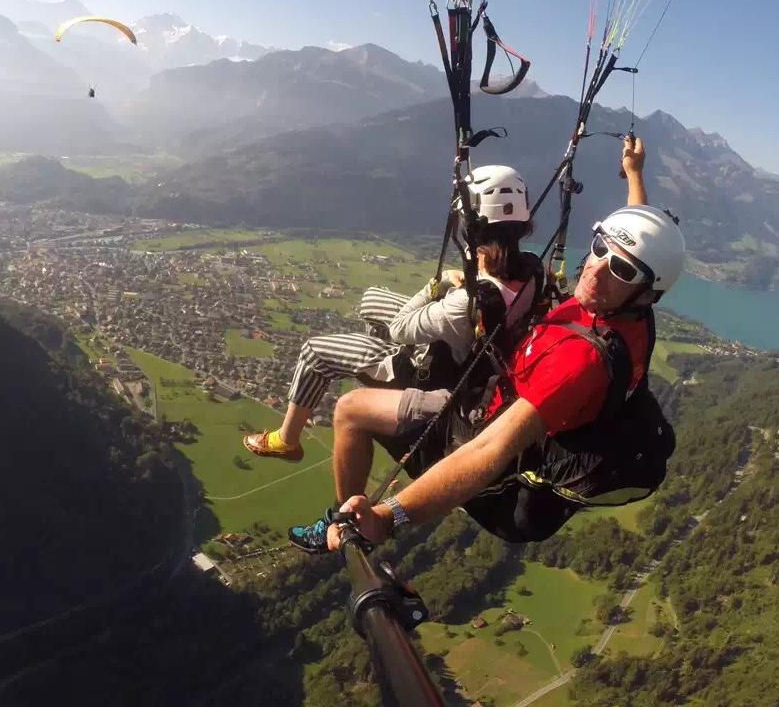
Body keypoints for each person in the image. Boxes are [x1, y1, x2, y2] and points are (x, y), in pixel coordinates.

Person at [287, 135, 685, 553]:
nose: (595, 269)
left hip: (476, 434)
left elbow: (489, 448)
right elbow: (643, 239)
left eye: (619, 268)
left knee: (351, 409)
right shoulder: (624, 314)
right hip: (497, 393)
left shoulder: (579, 362)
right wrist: (635, 176)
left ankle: (343, 522)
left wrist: (387, 518)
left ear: (645, 291)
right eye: (600, 246)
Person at [243, 166, 540, 462]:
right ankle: (379, 355)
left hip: (436, 371)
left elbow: (399, 327)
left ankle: (287, 440)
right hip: (471, 343)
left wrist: (439, 283)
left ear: (473, 227)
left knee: (313, 353)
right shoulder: (531, 270)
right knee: (371, 299)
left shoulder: (464, 303)